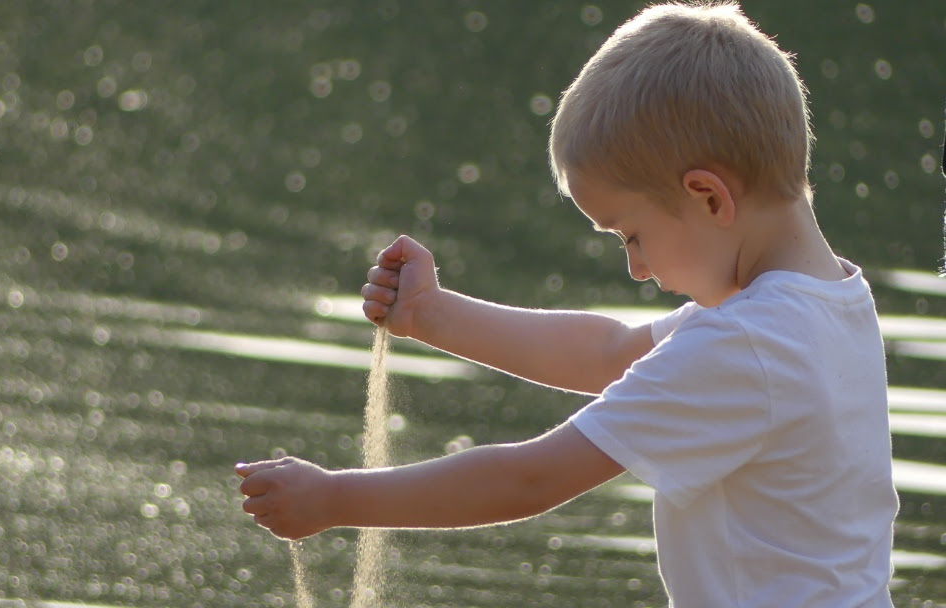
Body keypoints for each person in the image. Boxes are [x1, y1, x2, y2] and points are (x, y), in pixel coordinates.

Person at [236, 2, 899, 606]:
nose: (637, 267)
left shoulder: (748, 344)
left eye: (631, 235)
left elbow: (529, 478)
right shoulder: (829, 301)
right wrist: (433, 315)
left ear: (709, 197)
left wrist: (332, 498)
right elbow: (610, 351)